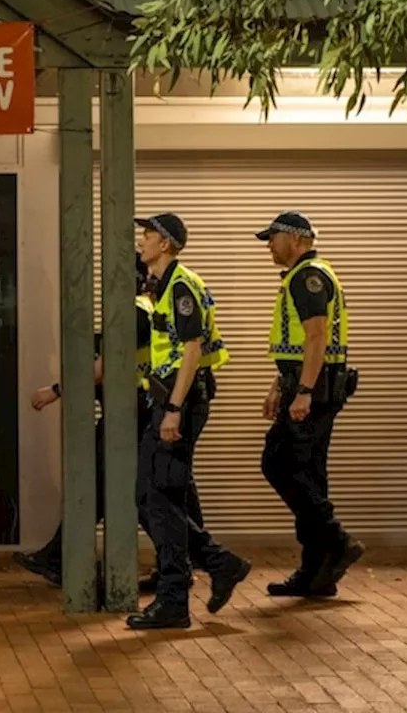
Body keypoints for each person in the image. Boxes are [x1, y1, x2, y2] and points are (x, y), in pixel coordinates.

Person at [127, 213, 251, 630]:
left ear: (165, 243)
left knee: (158, 499)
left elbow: (193, 351)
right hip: (168, 402)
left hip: (178, 404)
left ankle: (176, 600)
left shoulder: (180, 286)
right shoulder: (164, 286)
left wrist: (174, 410)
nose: (141, 242)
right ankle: (218, 562)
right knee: (152, 497)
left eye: (146, 236)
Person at [13, 252, 156, 587]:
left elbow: (102, 370)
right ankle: (57, 557)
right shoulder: (141, 308)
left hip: (128, 416)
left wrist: (56, 390)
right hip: (128, 413)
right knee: (103, 490)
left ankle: (194, 557)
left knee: (135, 495)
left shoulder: (131, 311)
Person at [255, 211, 365, 598]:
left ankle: (337, 541)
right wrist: (279, 385)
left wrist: (301, 392)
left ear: (297, 239)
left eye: (273, 237)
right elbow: (300, 345)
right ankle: (318, 572)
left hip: (313, 392)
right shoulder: (304, 275)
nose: (268, 244)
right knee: (310, 475)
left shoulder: (308, 277)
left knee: (279, 462)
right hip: (311, 387)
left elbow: (316, 338)